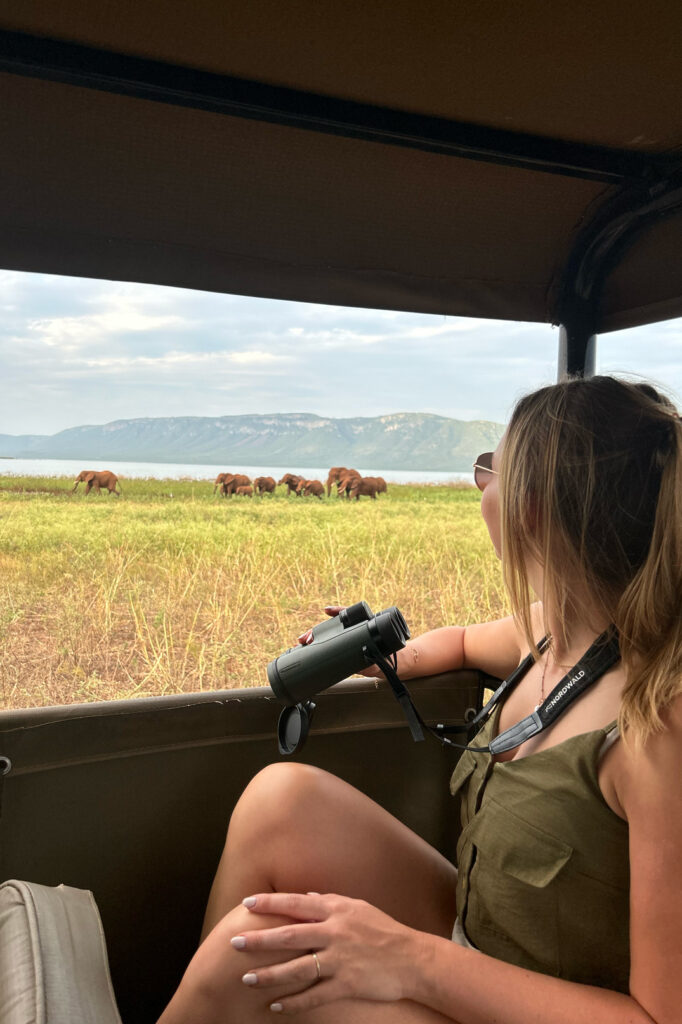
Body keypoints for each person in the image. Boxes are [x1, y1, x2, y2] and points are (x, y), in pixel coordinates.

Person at [158, 376, 682, 1024]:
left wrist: (411, 962)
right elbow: (463, 641)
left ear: (533, 508)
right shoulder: (560, 625)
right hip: (481, 945)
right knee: (281, 802)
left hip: (531, 1001)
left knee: (248, 966)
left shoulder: (661, 727)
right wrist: (386, 655)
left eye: (492, 470)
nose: (481, 487)